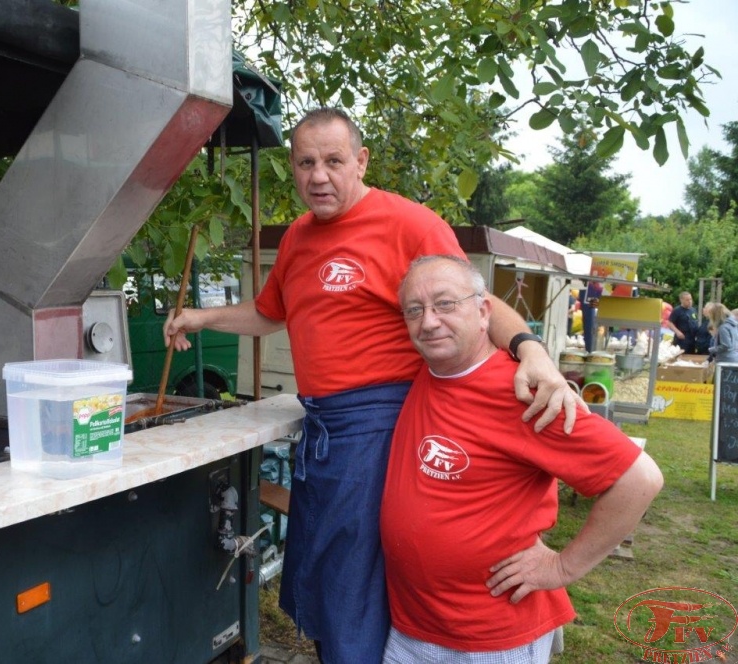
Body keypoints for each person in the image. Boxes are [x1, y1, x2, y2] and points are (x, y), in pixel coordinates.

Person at [163, 108, 579, 663]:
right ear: (293, 168)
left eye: (334, 161)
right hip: (325, 427)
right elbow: (269, 313)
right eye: (306, 162)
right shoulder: (297, 241)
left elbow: (475, 298)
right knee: (329, 567)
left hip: (384, 423)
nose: (319, 175)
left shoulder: (408, 223)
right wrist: (200, 317)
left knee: (354, 573)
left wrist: (532, 352)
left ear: (360, 161)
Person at [381, 255, 663, 662]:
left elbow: (640, 479)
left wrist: (563, 568)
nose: (428, 322)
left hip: (492, 637)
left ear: (483, 313)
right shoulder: (427, 370)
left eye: (446, 304)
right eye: (414, 310)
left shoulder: (524, 394)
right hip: (413, 628)